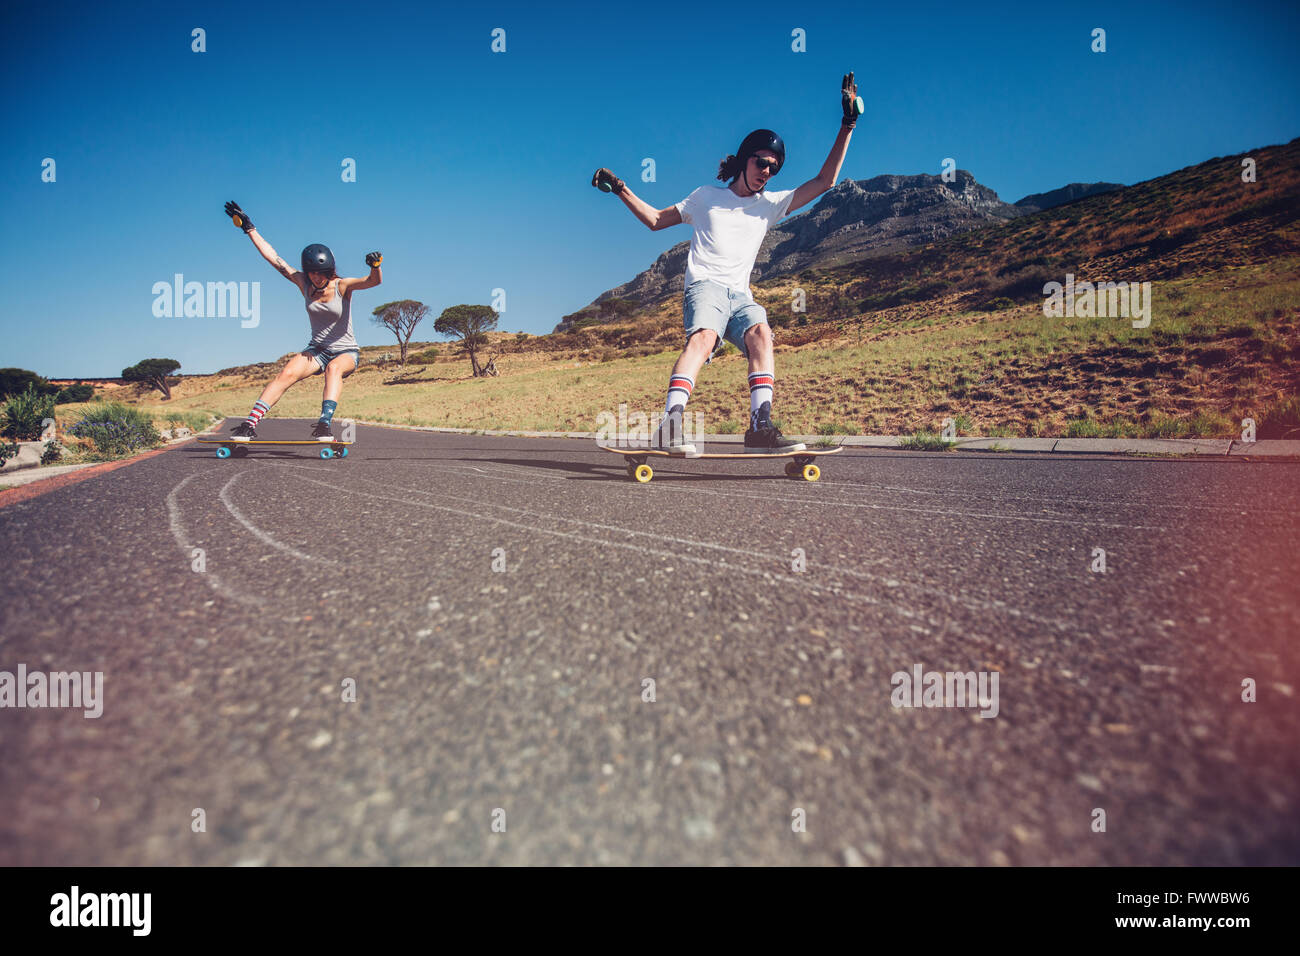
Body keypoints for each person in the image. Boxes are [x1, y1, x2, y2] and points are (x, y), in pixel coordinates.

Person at [591, 73, 860, 455]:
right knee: (703, 339)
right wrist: (620, 189)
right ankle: (670, 425)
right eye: (762, 162)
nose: (767, 171)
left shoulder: (770, 205)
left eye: (775, 167)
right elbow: (655, 220)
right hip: (705, 287)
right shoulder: (706, 197)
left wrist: (847, 126)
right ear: (745, 158)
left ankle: (760, 427)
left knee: (762, 335)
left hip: (741, 295)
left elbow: (824, 181)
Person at [221, 200, 382, 441]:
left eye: (321, 273)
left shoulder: (342, 286)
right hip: (316, 350)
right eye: (312, 273)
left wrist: (375, 267)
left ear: (330, 270)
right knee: (286, 373)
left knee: (333, 368)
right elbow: (274, 259)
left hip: (346, 352)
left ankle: (324, 425)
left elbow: (373, 282)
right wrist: (249, 229)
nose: (316, 278)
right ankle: (249, 425)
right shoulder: (303, 283)